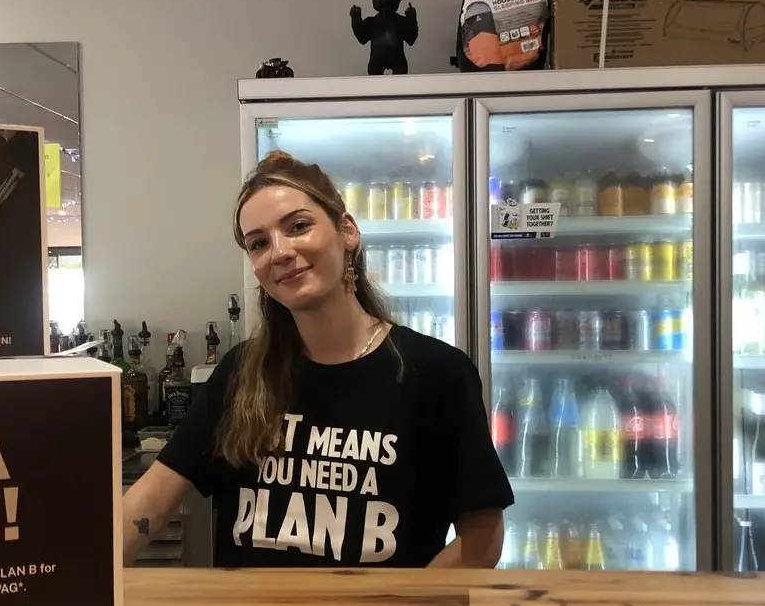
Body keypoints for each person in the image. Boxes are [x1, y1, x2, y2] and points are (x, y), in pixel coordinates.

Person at [122, 151, 513, 568]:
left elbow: (483, 536)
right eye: (258, 243)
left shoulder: (437, 373)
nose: (280, 252)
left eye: (299, 226)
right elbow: (151, 503)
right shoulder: (240, 373)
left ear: (347, 231)